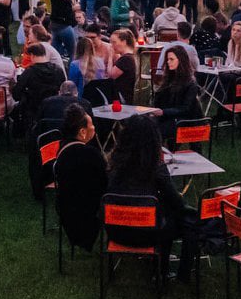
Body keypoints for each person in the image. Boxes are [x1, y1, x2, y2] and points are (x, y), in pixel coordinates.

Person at [104, 106, 199, 281]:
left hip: (114, 230)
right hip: (148, 234)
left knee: (170, 213)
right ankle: (174, 273)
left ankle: (165, 269)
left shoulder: (112, 165)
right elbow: (177, 203)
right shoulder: (156, 168)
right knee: (184, 218)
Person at [53, 105, 107, 252]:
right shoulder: (91, 155)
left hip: (65, 210)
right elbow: (105, 183)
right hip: (90, 214)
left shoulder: (62, 151)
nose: (94, 128)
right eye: (92, 125)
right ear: (82, 132)